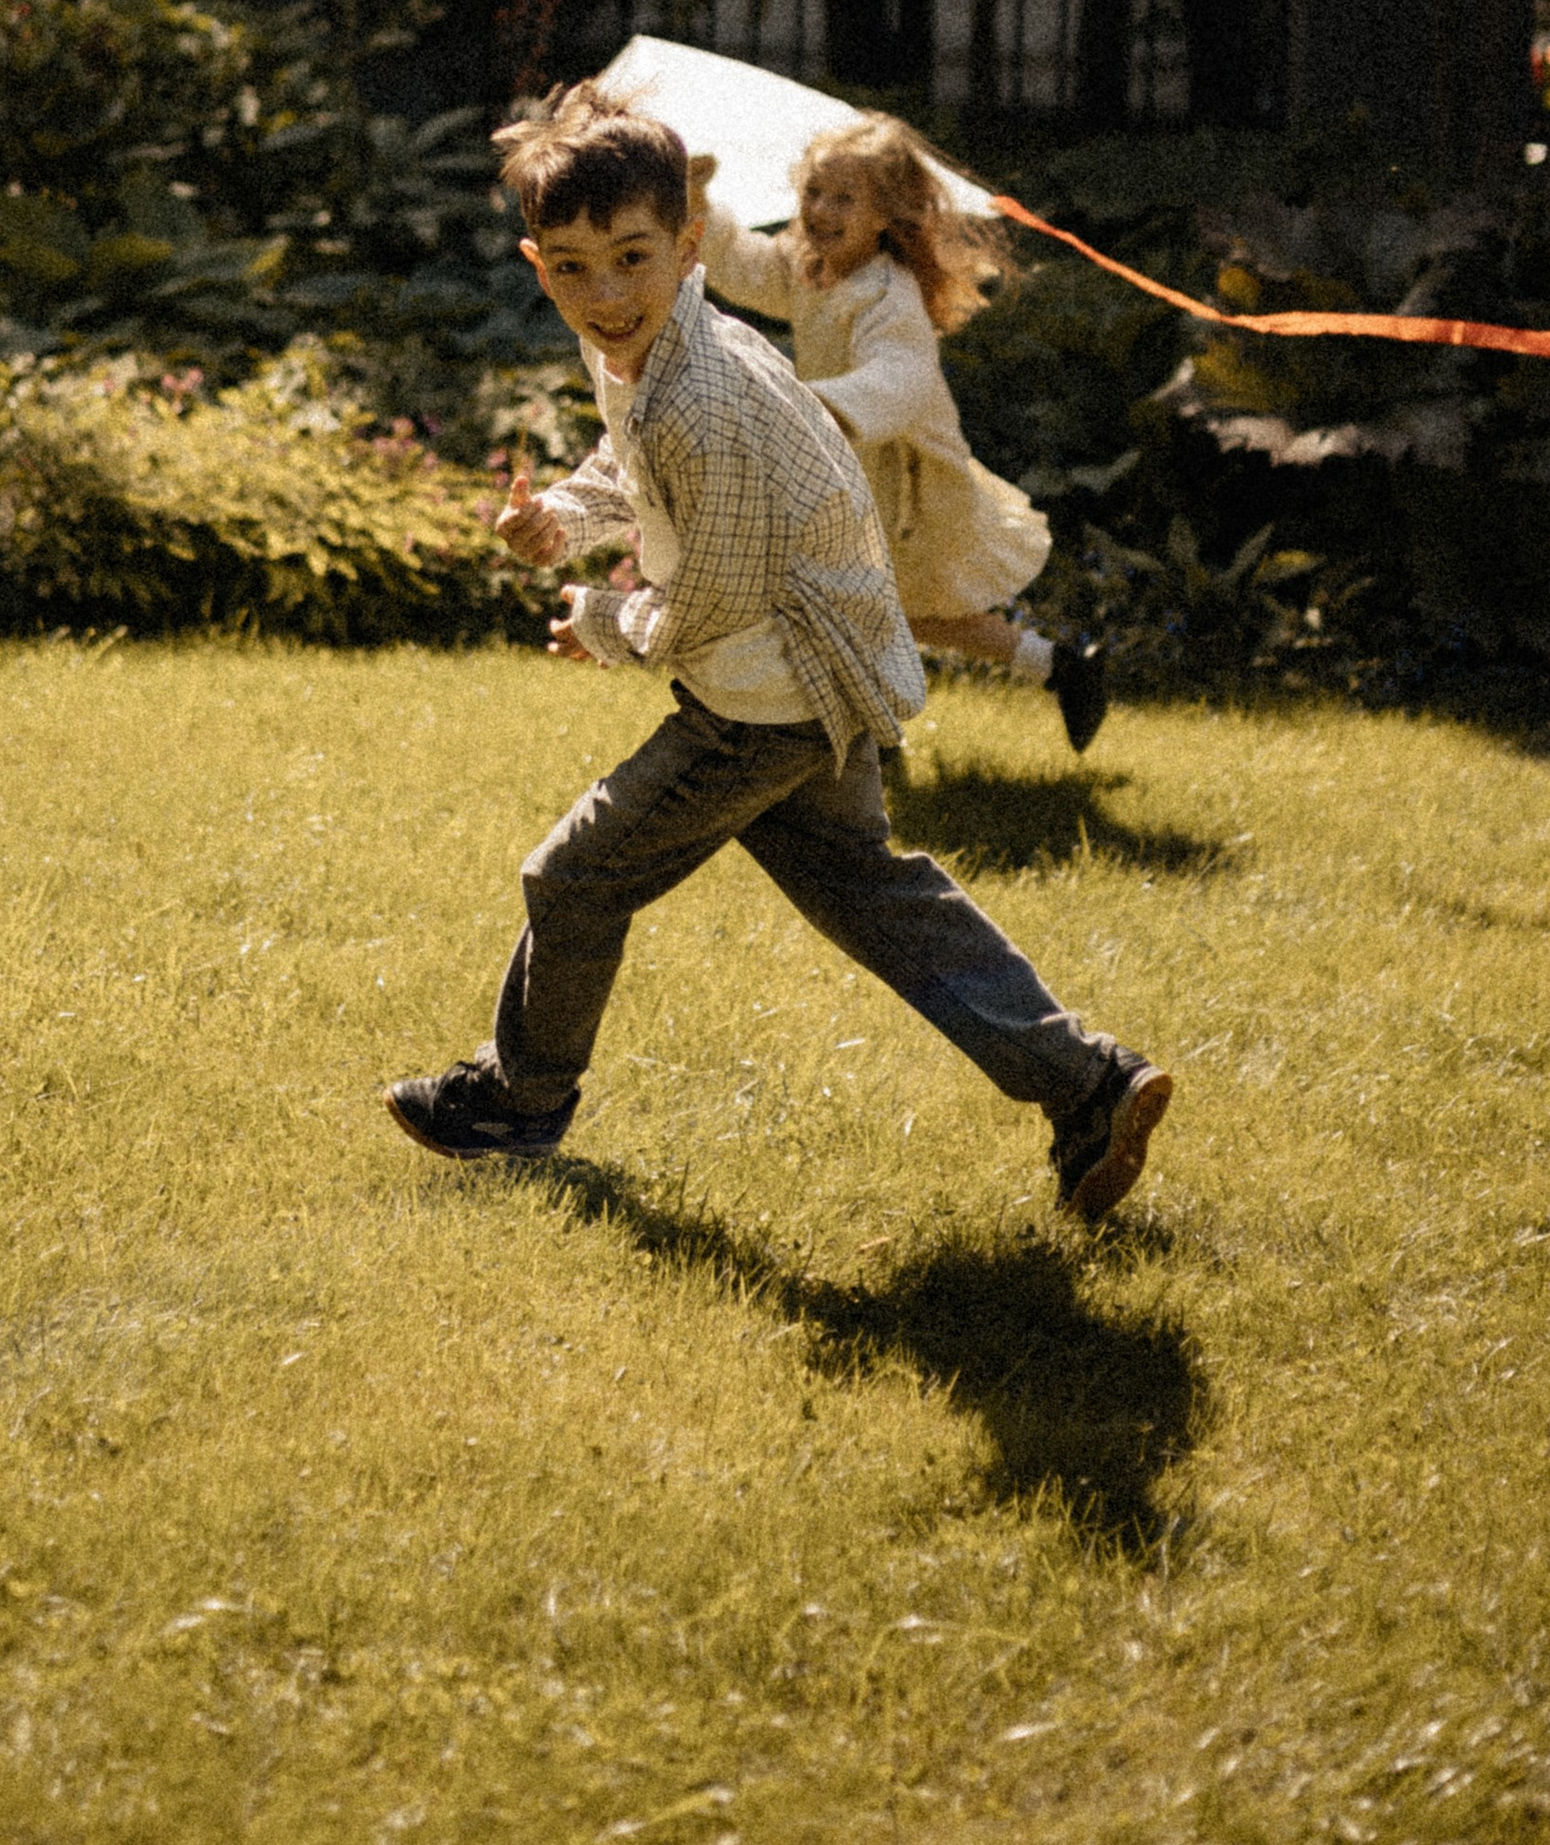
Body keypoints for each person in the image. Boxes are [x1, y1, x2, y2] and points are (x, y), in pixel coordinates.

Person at [382, 86, 1172, 1221]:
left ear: (687, 244)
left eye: (630, 259)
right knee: (874, 898)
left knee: (573, 875)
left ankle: (521, 1097)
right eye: (569, 267)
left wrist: (600, 622)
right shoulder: (670, 340)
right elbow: (636, 468)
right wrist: (565, 510)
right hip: (817, 675)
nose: (603, 296)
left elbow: (708, 601)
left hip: (763, 702)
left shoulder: (701, 392)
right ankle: (1090, 1085)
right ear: (535, 260)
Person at [690, 115, 1112, 753]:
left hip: (896, 473)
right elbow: (744, 265)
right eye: (813, 193)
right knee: (901, 610)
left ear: (886, 214)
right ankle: (1058, 667)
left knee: (854, 602)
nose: (821, 211)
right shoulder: (811, 265)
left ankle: (864, 741)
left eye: (844, 198)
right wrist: (699, 204)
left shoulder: (887, 291)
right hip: (846, 462)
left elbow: (899, 379)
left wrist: (813, 405)